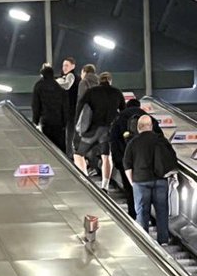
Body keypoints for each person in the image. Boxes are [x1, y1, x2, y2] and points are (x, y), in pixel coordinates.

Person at [124, 114, 177, 246]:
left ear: (138, 127)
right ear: (151, 126)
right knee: (162, 211)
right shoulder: (161, 140)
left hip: (141, 181)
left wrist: (132, 182)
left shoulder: (133, 142)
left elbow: (127, 165)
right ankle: (163, 240)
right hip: (160, 181)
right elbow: (172, 159)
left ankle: (145, 241)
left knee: (142, 211)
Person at [74, 67, 122, 186]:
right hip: (108, 130)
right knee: (106, 157)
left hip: (92, 130)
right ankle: (105, 186)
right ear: (110, 81)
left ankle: (86, 180)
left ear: (99, 80)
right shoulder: (117, 92)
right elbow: (124, 111)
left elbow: (80, 106)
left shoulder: (92, 92)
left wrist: (77, 124)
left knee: (78, 154)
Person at [31, 64, 68, 152]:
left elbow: (36, 104)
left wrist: (35, 121)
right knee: (60, 148)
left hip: (46, 121)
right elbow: (65, 106)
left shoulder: (39, 86)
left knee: (48, 147)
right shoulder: (58, 86)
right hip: (59, 122)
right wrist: (64, 122)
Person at [56, 56, 78, 156]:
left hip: (70, 111)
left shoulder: (70, 76)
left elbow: (67, 85)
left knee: (69, 135)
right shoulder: (70, 77)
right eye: (63, 65)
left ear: (73, 66)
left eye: (66, 65)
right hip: (72, 111)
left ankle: (68, 155)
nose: (64, 67)